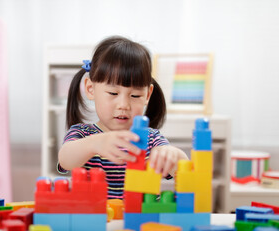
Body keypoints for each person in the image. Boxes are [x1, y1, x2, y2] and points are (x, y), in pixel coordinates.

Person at [58, 36, 188, 199]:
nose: (124, 105)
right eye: (113, 93)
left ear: (147, 95)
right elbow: (65, 160)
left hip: (139, 221)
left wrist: (171, 155)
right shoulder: (83, 134)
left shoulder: (151, 139)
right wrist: (95, 144)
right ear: (91, 89)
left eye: (135, 95)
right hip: (97, 220)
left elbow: (182, 167)